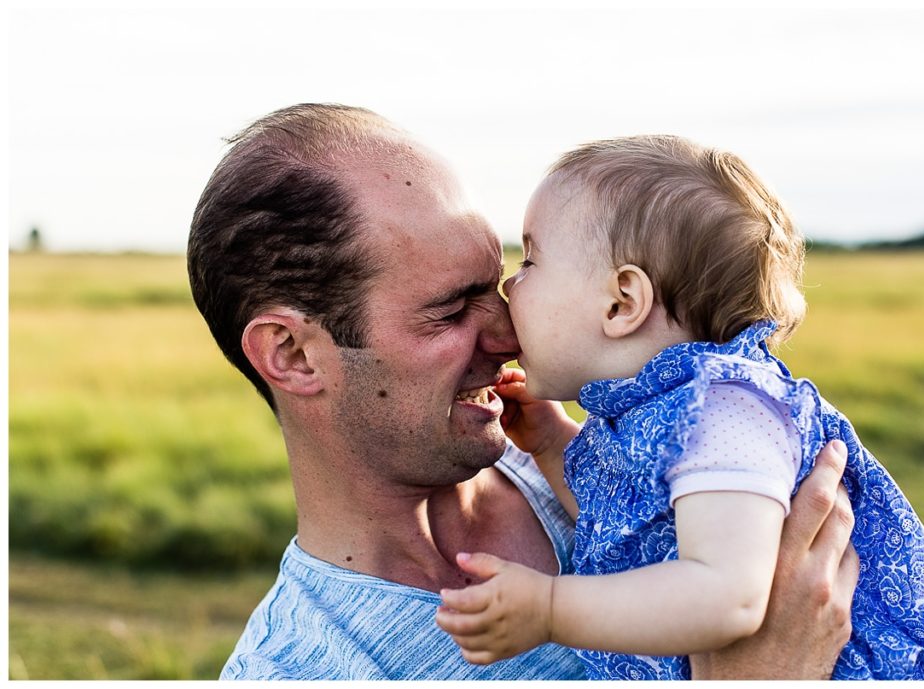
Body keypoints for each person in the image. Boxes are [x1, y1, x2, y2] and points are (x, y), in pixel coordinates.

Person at [188, 104, 858, 680]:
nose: (510, 332)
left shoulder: (609, 460)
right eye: (451, 310)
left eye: (502, 277)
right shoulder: (300, 669)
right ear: (294, 354)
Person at [434, 135, 924, 680]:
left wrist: (550, 608)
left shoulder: (726, 410)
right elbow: (639, 534)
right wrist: (554, 440)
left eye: (531, 260)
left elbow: (727, 596)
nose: (511, 283)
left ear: (622, 302)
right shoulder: (659, 410)